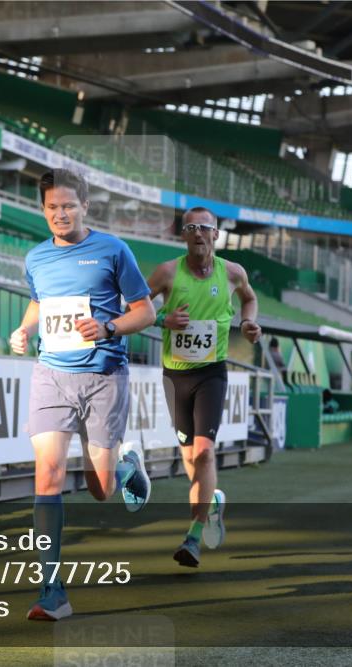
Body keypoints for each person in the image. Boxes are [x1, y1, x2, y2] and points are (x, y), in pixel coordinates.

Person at [9, 168, 156, 621]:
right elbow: (39, 301)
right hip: (51, 374)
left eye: (68, 205)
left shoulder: (113, 249)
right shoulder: (36, 257)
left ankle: (128, 468)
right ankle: (52, 591)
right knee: (48, 473)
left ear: (85, 206)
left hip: (103, 376)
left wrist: (108, 326)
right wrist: (25, 327)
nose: (60, 213)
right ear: (43, 209)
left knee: (101, 489)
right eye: (52, 206)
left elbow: (146, 311)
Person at [146, 206, 262, 568]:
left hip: (212, 372)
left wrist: (247, 323)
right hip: (175, 375)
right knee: (189, 460)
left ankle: (192, 538)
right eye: (191, 228)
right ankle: (211, 504)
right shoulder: (167, 272)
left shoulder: (233, 272)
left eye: (205, 228)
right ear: (183, 235)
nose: (198, 233)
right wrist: (165, 319)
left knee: (205, 453)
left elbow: (250, 298)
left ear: (215, 235)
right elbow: (134, 307)